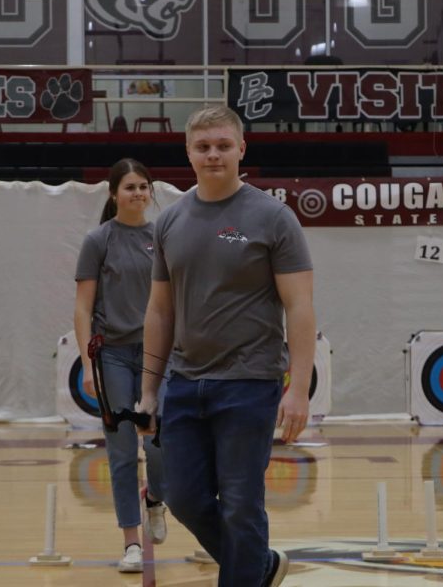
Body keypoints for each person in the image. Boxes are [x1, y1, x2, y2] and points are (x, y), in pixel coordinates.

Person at [139, 105, 316, 587]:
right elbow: (159, 311)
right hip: (184, 383)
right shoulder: (169, 222)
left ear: (242, 149)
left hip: (250, 383)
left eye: (222, 145)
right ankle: (257, 568)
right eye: (203, 146)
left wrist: (298, 389)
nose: (213, 154)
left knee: (240, 503)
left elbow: (300, 308)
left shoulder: (274, 218)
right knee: (182, 497)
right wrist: (148, 391)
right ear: (188, 153)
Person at [73, 158, 169, 573]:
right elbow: (82, 307)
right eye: (130, 187)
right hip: (111, 355)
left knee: (161, 443)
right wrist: (85, 362)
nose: (138, 193)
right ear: (114, 194)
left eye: (144, 186)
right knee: (122, 450)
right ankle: (131, 541)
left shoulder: (163, 237)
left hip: (155, 356)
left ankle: (156, 499)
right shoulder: (98, 240)